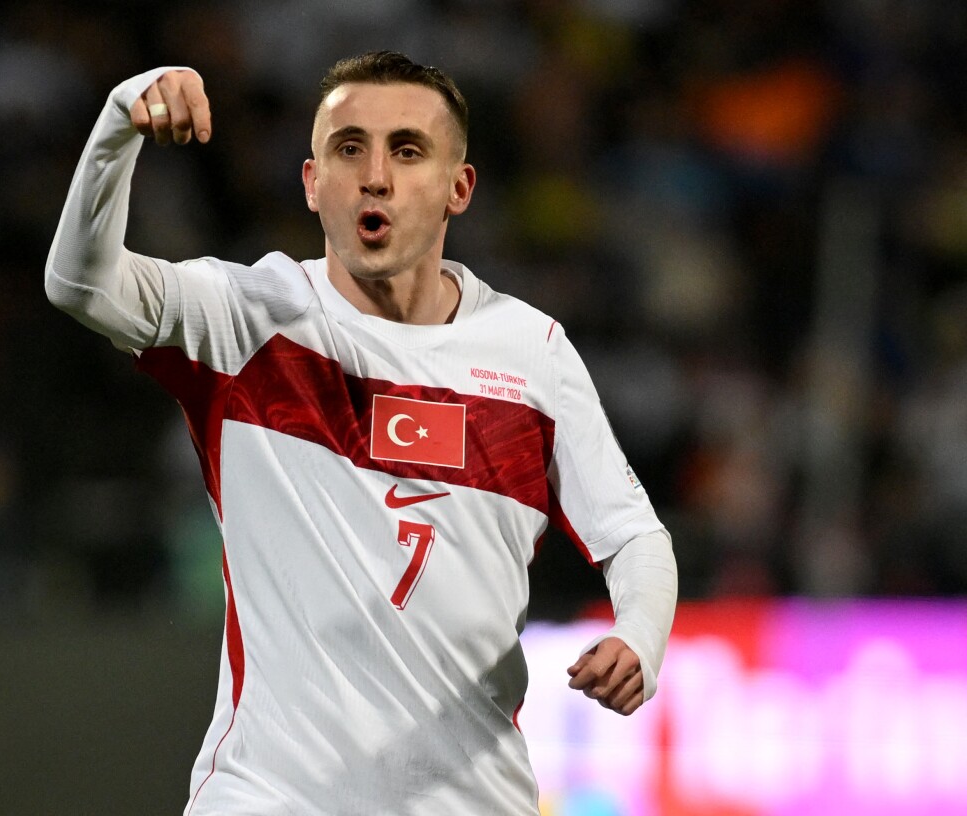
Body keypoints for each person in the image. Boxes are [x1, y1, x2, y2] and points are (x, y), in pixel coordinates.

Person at [46, 51, 677, 816]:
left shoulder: (530, 354)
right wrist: (120, 120)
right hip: (271, 798)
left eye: (407, 151)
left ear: (459, 188)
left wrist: (639, 639)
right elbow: (80, 284)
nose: (375, 176)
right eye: (350, 149)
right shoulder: (247, 319)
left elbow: (632, 535)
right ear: (314, 183)